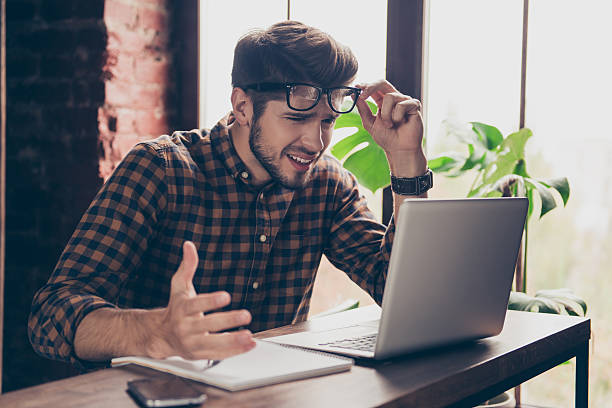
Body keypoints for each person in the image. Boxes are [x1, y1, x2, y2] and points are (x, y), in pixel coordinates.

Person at [28, 20, 430, 368]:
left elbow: (400, 296)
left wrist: (407, 162)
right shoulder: (161, 169)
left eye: (326, 121)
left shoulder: (326, 184)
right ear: (242, 106)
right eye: (296, 118)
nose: (315, 141)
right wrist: (154, 331)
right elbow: (51, 314)